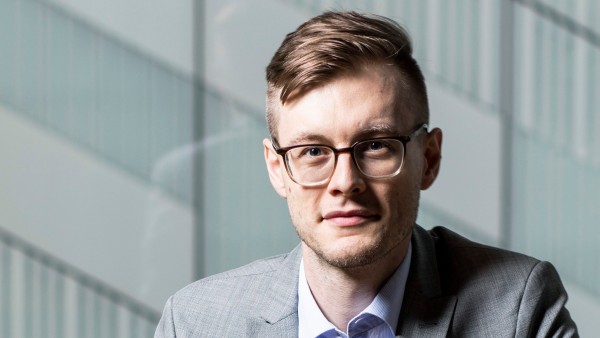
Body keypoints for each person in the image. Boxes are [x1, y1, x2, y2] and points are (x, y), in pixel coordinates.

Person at [155, 11, 578, 337]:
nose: (344, 182)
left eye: (375, 145)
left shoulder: (518, 310)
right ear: (277, 169)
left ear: (428, 159)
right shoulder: (194, 323)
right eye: (313, 151)